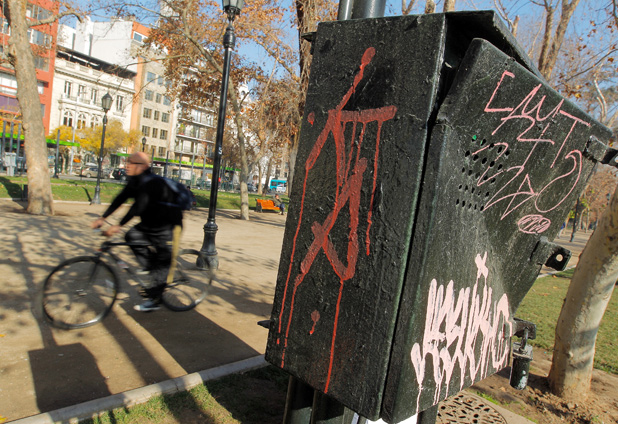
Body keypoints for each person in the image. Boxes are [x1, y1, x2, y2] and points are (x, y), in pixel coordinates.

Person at [91, 152, 183, 312]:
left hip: (169, 227)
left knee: (162, 264)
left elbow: (138, 207)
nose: (127, 165)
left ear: (143, 166)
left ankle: (155, 299)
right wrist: (103, 217)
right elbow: (120, 198)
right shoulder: (135, 181)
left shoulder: (152, 183)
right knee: (131, 235)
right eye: (128, 161)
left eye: (132, 162)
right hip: (149, 224)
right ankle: (152, 267)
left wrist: (118, 225)